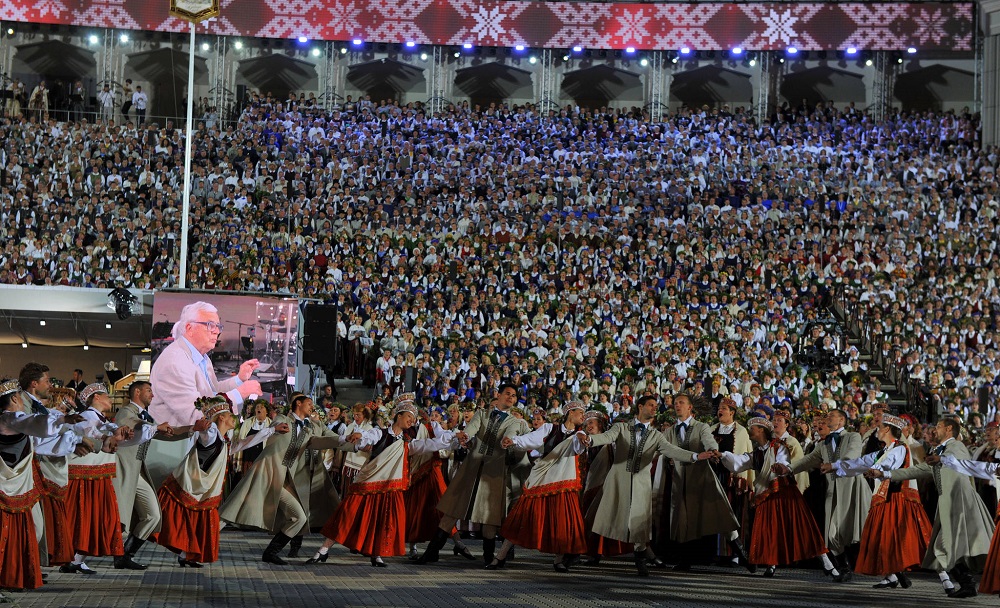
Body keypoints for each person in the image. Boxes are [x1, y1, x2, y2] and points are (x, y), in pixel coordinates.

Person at [310, 393, 454, 567]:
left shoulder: (407, 443)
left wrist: (453, 438)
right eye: (409, 417)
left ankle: (376, 554)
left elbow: (429, 445)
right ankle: (323, 550)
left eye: (413, 419)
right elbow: (367, 438)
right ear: (398, 416)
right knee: (347, 515)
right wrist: (359, 436)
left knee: (384, 521)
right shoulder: (380, 433)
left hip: (389, 488)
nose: (411, 421)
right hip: (368, 484)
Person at [579, 395, 714, 577]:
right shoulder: (621, 427)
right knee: (604, 517)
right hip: (618, 482)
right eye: (651, 405)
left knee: (640, 522)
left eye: (656, 406)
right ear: (640, 407)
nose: (654, 408)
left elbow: (672, 450)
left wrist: (695, 456)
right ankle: (574, 553)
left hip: (641, 484)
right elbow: (606, 437)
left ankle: (640, 559)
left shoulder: (656, 435)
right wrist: (589, 440)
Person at [155, 395, 287, 566]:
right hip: (192, 486)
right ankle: (135, 549)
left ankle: (184, 555)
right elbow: (205, 431)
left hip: (202, 489)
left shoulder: (224, 442)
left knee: (195, 521)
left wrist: (272, 430)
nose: (234, 418)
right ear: (222, 418)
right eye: (230, 414)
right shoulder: (211, 434)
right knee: (184, 520)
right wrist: (201, 426)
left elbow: (246, 442)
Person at [874, 417, 994, 598]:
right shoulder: (939, 451)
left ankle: (967, 583)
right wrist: (886, 473)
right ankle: (966, 583)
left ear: (948, 429)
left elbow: (957, 459)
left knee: (945, 546)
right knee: (947, 547)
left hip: (960, 503)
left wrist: (941, 458)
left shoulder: (956, 446)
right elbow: (918, 470)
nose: (934, 430)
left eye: (938, 426)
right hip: (948, 504)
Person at [219, 393, 345, 564]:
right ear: (298, 403)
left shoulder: (308, 429)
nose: (312, 407)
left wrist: (345, 440)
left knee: (299, 517)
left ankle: (270, 552)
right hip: (265, 473)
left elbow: (320, 442)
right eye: (309, 403)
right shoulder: (282, 419)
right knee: (231, 511)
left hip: (282, 480)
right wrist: (275, 428)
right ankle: (197, 541)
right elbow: (276, 425)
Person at [418, 383, 530, 566]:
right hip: (472, 467)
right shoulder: (482, 414)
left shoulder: (515, 422)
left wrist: (507, 440)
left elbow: (510, 434)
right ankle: (432, 552)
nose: (511, 397)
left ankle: (488, 557)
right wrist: (466, 436)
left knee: (489, 515)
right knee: (453, 509)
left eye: (514, 395)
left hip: (493, 472)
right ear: (499, 395)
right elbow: (472, 429)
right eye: (508, 394)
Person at [824, 414, 932, 590]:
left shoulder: (899, 448)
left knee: (907, 537)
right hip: (883, 499)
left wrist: (875, 470)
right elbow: (861, 462)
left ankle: (944, 579)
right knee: (882, 538)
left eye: (880, 427)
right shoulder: (883, 451)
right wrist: (835, 466)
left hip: (896, 499)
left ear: (887, 429)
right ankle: (892, 575)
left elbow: (889, 464)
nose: (877, 430)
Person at [720, 417, 832, 578]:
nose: (749, 431)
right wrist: (722, 455)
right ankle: (771, 563)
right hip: (767, 494)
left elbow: (784, 462)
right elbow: (740, 462)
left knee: (802, 527)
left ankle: (827, 563)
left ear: (761, 430)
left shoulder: (779, 446)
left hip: (784, 492)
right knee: (769, 529)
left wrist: (780, 466)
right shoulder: (757, 453)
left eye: (752, 428)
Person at [0, 380, 82, 598]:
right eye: (21, 398)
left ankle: (14, 575)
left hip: (18, 486)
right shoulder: (8, 418)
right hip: (5, 485)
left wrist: (72, 438)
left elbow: (40, 439)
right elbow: (30, 421)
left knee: (33, 529)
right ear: (14, 398)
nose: (23, 402)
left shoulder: (17, 422)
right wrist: (62, 419)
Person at [492, 401, 589, 572]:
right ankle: (500, 556)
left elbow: (578, 447)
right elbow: (531, 439)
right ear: (570, 413)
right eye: (580, 412)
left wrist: (581, 438)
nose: (583, 416)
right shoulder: (550, 428)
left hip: (564, 480)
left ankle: (558, 560)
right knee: (523, 516)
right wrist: (513, 440)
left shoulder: (579, 434)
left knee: (562, 520)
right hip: (544, 477)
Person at [781, 409, 871, 582]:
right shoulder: (823, 445)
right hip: (834, 491)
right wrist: (788, 468)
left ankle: (893, 571)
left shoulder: (853, 437)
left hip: (853, 489)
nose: (827, 418)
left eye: (831, 416)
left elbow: (852, 456)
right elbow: (808, 460)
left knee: (863, 531)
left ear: (842, 420)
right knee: (832, 534)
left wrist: (834, 465)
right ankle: (845, 568)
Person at [660, 393, 747, 571]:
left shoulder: (701, 427)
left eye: (681, 403)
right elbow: (663, 450)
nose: (677, 405)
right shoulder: (669, 432)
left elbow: (709, 441)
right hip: (681, 481)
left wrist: (713, 450)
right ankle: (685, 560)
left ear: (690, 407)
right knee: (683, 518)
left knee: (720, 512)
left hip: (702, 478)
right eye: (675, 403)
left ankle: (740, 551)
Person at [112, 380, 191, 570]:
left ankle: (125, 555)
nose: (152, 394)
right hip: (123, 471)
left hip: (137, 471)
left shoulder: (145, 417)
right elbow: (134, 425)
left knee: (153, 515)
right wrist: (157, 428)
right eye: (149, 390)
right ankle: (78, 558)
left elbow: (167, 432)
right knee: (117, 518)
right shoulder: (126, 412)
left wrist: (193, 428)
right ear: (137, 392)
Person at [149, 301, 262, 427]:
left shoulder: (202, 356)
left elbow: (214, 391)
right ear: (189, 328)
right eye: (210, 325)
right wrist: (239, 393)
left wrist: (239, 379)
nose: (217, 331)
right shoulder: (174, 362)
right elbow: (196, 416)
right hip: (180, 437)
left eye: (218, 326)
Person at [61, 384, 133, 574]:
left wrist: (118, 432)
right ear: (96, 398)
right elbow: (93, 435)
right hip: (86, 476)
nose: (110, 399)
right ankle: (72, 559)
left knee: (93, 517)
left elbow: (107, 430)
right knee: (88, 517)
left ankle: (76, 560)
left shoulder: (100, 419)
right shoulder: (87, 417)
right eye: (106, 396)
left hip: (96, 474)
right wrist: (111, 435)